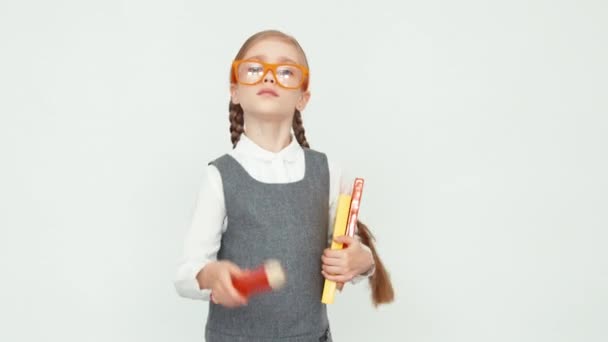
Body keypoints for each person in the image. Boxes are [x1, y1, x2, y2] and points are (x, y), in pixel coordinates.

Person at [174, 29, 393, 342]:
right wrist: (210, 274)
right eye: (254, 69)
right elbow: (185, 274)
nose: (269, 77)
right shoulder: (219, 176)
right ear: (234, 90)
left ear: (303, 97)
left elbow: (350, 248)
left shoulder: (327, 171)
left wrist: (363, 262)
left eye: (286, 71)